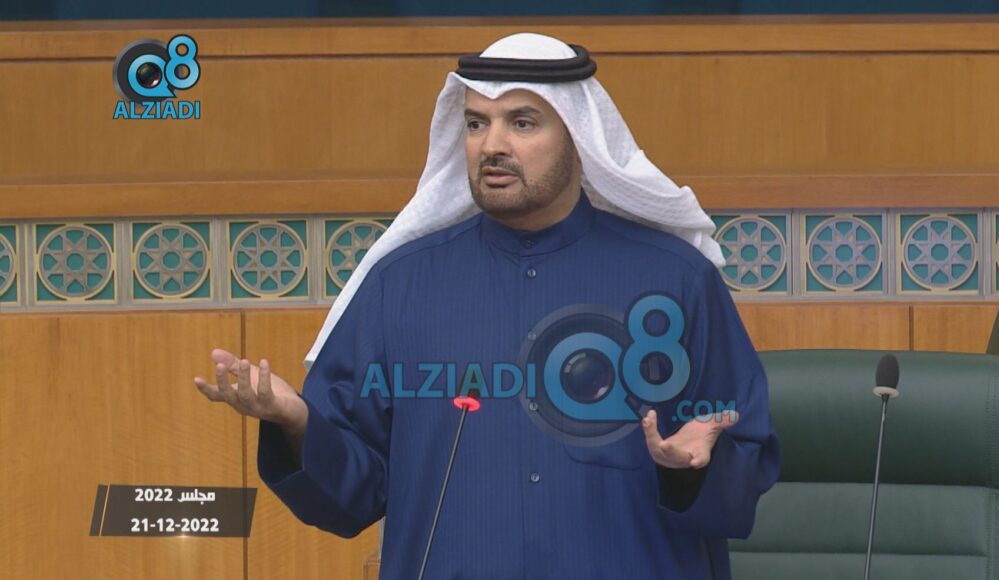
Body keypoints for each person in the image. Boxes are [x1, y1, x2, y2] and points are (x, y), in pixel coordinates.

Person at [193, 32, 780, 579]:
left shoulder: (676, 279)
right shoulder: (398, 285)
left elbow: (746, 461)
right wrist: (297, 423)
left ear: (580, 137)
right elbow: (354, 496)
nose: (492, 145)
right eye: (476, 123)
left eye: (522, 122)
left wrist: (695, 469)